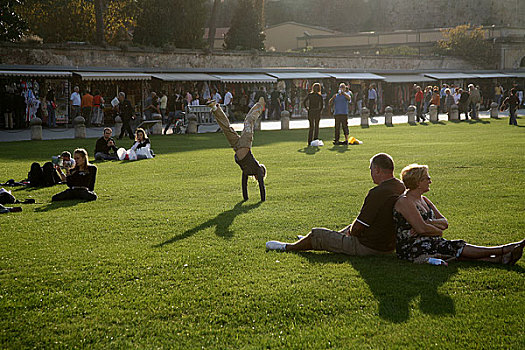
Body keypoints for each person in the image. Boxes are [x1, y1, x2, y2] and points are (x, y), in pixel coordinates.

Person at [266, 153, 405, 254]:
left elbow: (358, 228)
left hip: (369, 246)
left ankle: (287, 247)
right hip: (387, 244)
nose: (371, 173)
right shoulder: (400, 186)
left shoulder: (377, 192)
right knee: (348, 228)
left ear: (377, 170)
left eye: (371, 170)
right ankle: (332, 238)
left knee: (317, 234)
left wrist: (350, 234)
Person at [393, 164, 524, 264]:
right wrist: (436, 231)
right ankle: (503, 250)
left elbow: (444, 222)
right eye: (427, 178)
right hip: (412, 248)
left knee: (455, 251)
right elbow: (422, 228)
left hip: (429, 241)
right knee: (456, 247)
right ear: (418, 182)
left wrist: (430, 224)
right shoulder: (405, 202)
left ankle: (501, 259)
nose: (430, 181)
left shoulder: (424, 199)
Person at [207, 98, 266, 202]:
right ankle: (260, 106)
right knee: (248, 120)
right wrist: (262, 200)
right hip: (245, 143)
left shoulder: (247, 171)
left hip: (237, 146)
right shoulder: (258, 169)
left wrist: (245, 199)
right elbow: (262, 186)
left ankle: (215, 108)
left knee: (226, 128)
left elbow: (244, 185)